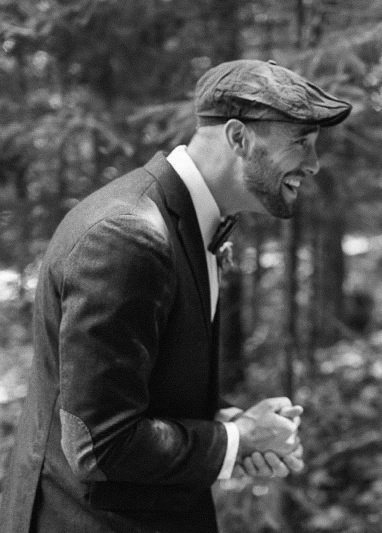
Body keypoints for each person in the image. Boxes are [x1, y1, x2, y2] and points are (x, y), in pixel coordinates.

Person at [0, 59, 351, 533]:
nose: (313, 164)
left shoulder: (186, 220)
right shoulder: (128, 235)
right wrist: (236, 441)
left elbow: (142, 384)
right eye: (301, 142)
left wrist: (228, 421)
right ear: (238, 137)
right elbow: (99, 443)